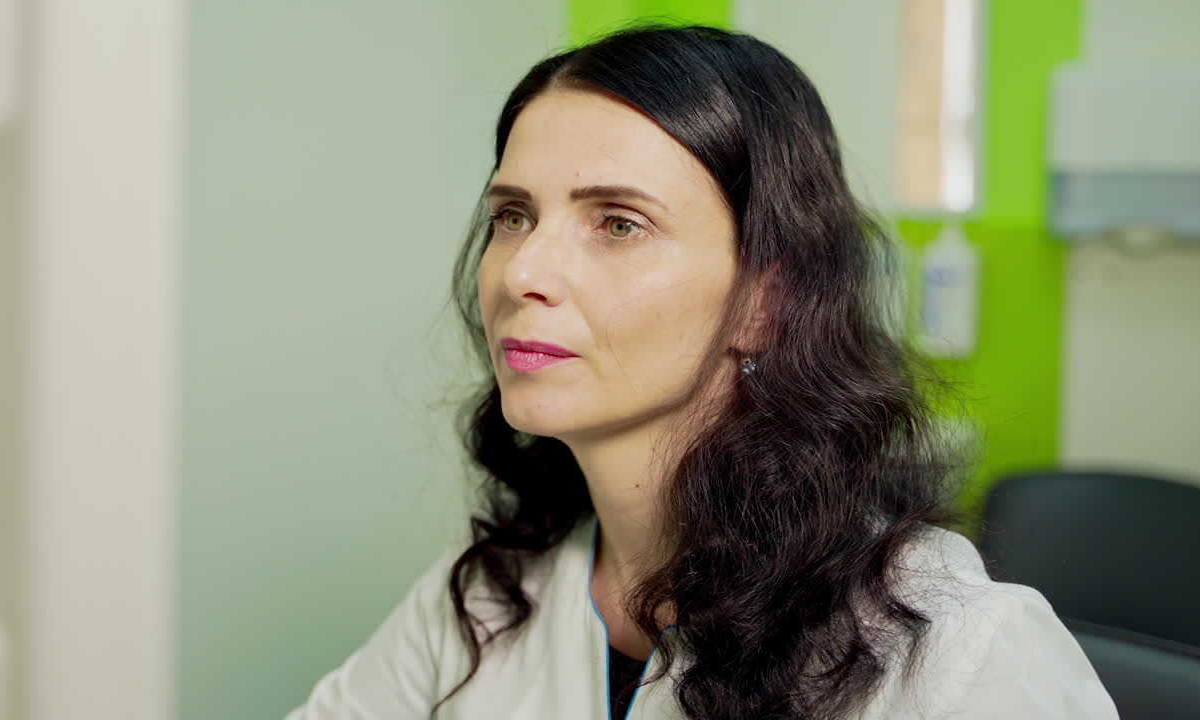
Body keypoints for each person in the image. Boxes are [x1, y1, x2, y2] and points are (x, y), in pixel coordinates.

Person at [285, 23, 1118, 720]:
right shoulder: (483, 598)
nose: (520, 272)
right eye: (513, 215)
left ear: (767, 298)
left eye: (618, 222)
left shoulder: (956, 654)